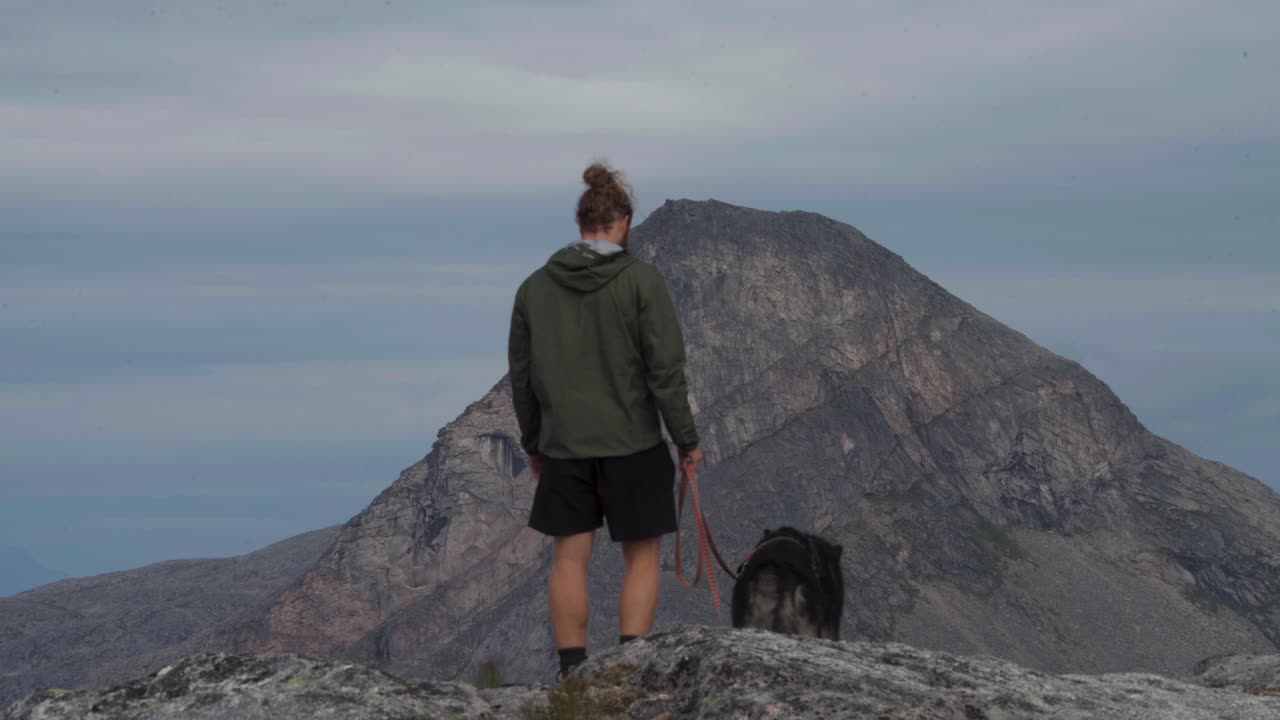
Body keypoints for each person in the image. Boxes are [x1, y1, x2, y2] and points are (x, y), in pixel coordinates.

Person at [507, 160, 702, 681]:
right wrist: (686, 440)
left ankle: (573, 675)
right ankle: (628, 669)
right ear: (624, 222)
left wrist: (534, 444)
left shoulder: (533, 289)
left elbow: (521, 379)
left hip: (565, 447)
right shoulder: (641, 282)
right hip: (633, 444)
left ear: (582, 224)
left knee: (569, 562)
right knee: (641, 560)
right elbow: (666, 372)